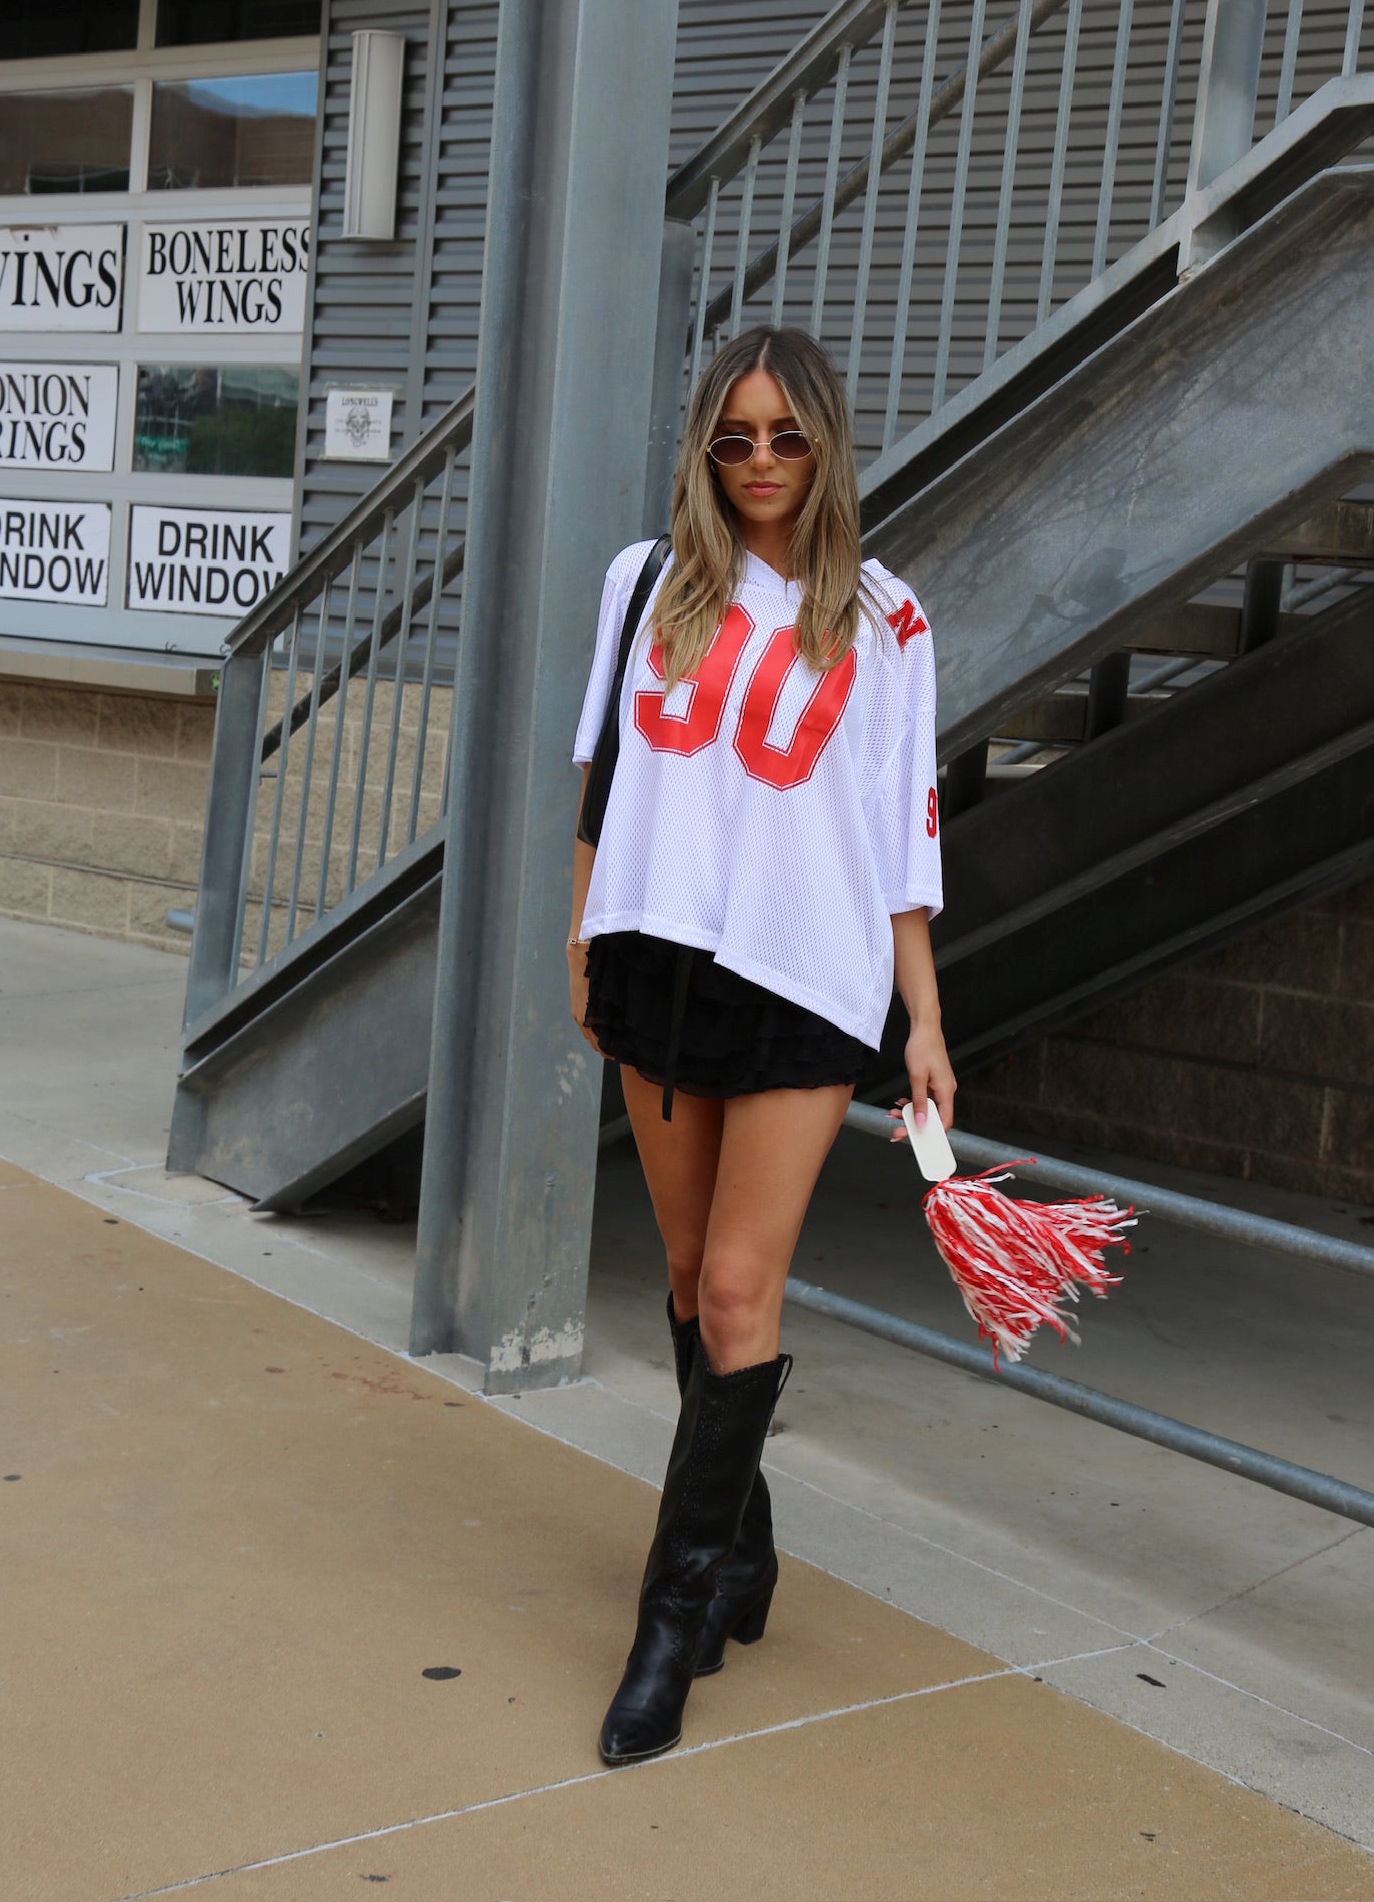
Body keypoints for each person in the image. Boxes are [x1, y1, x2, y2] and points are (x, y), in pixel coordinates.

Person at [568, 323, 956, 1768]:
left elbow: (903, 824)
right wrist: (580, 927)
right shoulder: (643, 583)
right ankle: (743, 1545)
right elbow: (602, 773)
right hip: (657, 949)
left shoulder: (889, 619)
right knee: (682, 1277)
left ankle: (669, 1626)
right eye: (734, 438)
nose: (761, 464)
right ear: (703, 447)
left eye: (786, 437)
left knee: (740, 1284)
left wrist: (922, 1016)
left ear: (827, 442)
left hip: (807, 972)